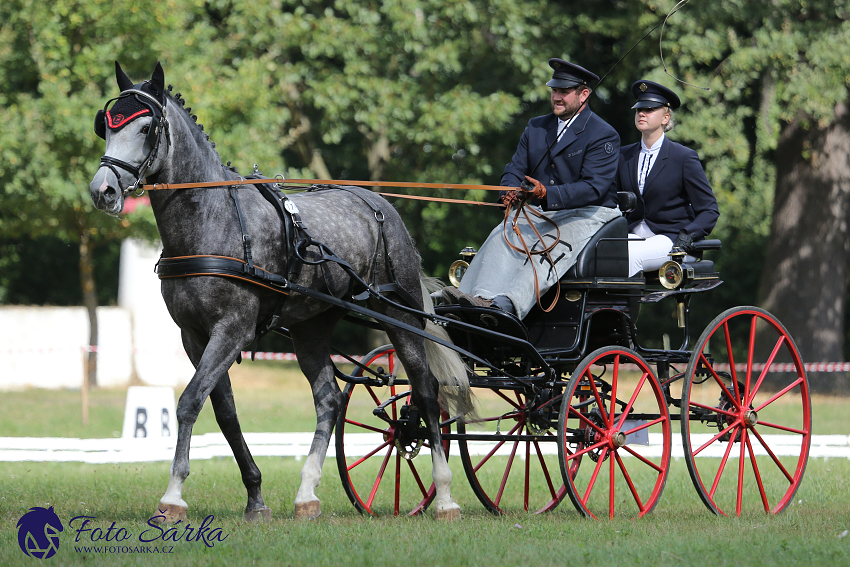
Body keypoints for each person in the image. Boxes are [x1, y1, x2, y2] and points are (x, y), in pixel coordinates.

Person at [444, 58, 621, 319]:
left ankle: (509, 305)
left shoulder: (603, 134)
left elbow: (593, 188)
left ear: (584, 94)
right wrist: (508, 191)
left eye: (564, 92)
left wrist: (547, 194)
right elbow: (515, 167)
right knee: (501, 235)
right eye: (554, 90)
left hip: (590, 213)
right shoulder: (536, 126)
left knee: (550, 246)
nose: (557, 97)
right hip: (542, 211)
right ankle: (474, 299)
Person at [616, 80, 719, 277]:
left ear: (665, 117)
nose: (641, 113)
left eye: (649, 109)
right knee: (600, 253)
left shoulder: (683, 157)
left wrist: (688, 235)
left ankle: (618, 308)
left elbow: (709, 209)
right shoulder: (624, 156)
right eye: (638, 109)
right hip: (632, 235)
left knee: (630, 255)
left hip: (671, 238)